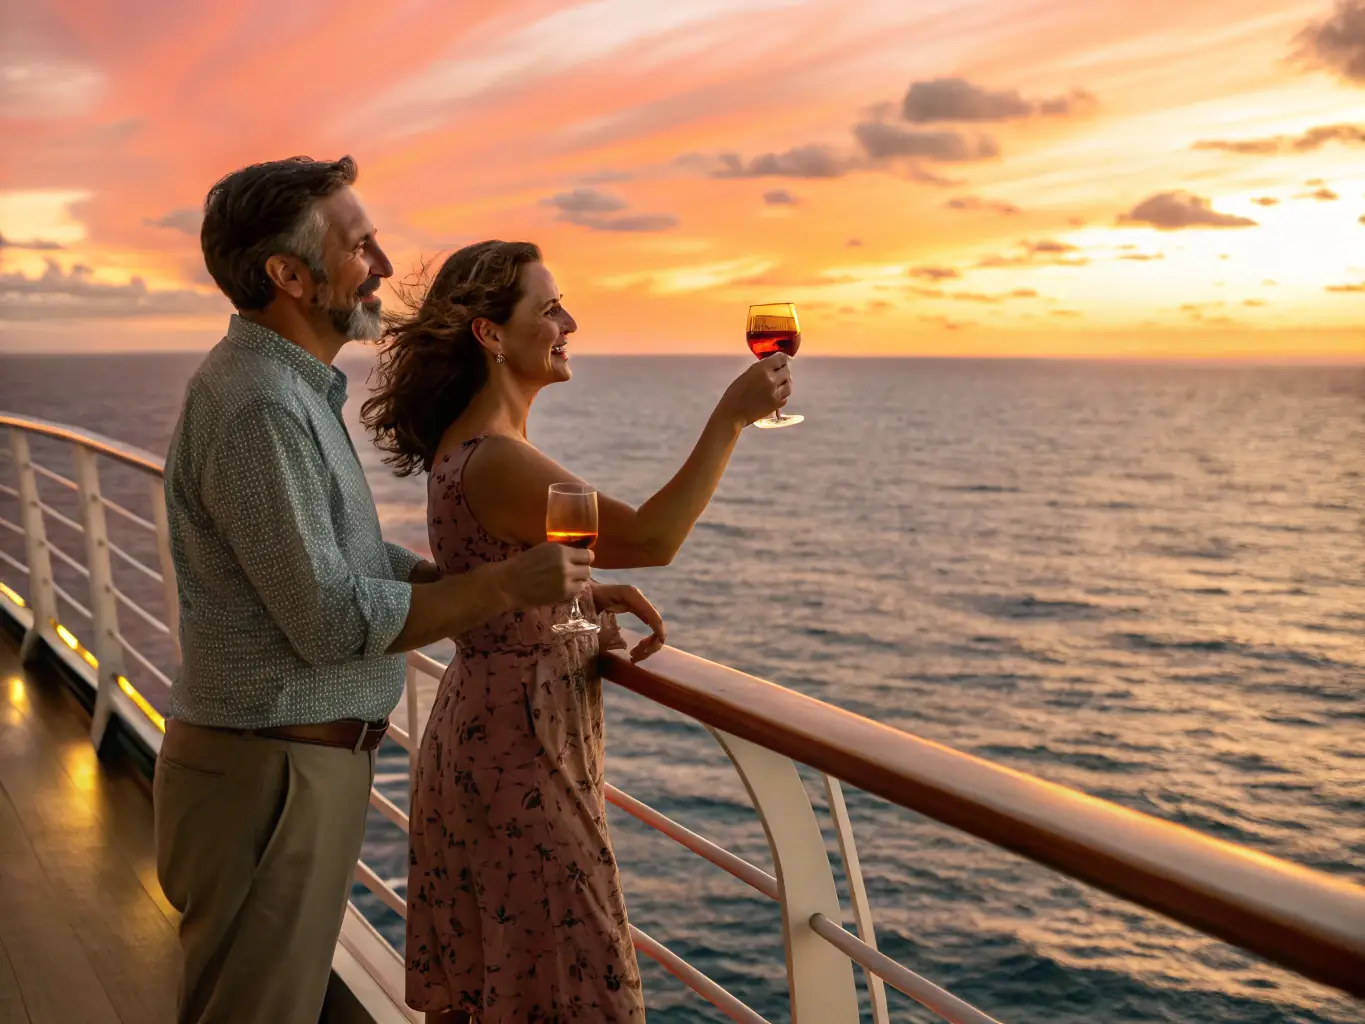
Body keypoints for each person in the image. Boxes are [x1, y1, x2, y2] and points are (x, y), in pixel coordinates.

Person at [155, 157, 605, 1024]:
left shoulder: (288, 390)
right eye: (360, 246)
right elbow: (330, 619)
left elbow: (342, 560)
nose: (384, 267)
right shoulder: (261, 406)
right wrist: (506, 581)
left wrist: (505, 590)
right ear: (289, 276)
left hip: (284, 767)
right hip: (270, 777)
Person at [361, 240, 792, 1022]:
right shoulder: (497, 459)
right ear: (491, 334)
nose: (569, 324)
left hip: (488, 734)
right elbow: (654, 538)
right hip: (520, 753)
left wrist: (583, 597)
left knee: (505, 986)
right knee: (578, 982)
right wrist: (730, 417)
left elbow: (497, 575)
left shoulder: (471, 446)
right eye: (550, 308)